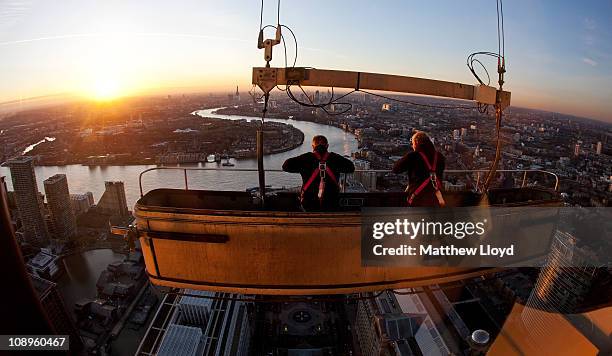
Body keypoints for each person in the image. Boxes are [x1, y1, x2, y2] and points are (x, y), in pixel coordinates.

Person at [282, 135, 355, 211]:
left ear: (313, 146)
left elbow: (285, 166)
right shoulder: (335, 158)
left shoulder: (306, 158)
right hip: (332, 203)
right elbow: (351, 168)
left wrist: (302, 167)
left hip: (309, 203)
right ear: (327, 146)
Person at [393, 131, 446, 207]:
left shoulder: (413, 156)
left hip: (418, 197)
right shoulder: (440, 156)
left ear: (416, 143)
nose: (412, 146)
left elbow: (396, 169)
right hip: (436, 198)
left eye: (413, 144)